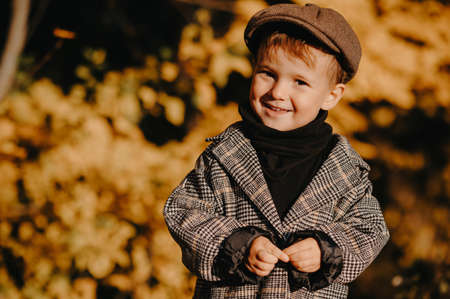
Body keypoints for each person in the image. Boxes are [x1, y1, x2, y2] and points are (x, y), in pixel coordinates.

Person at [164, 3, 389, 298]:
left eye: (300, 82)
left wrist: (326, 250)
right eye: (268, 73)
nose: (278, 92)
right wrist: (238, 244)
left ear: (331, 96)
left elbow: (370, 230)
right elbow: (183, 210)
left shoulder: (346, 172)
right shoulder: (223, 157)